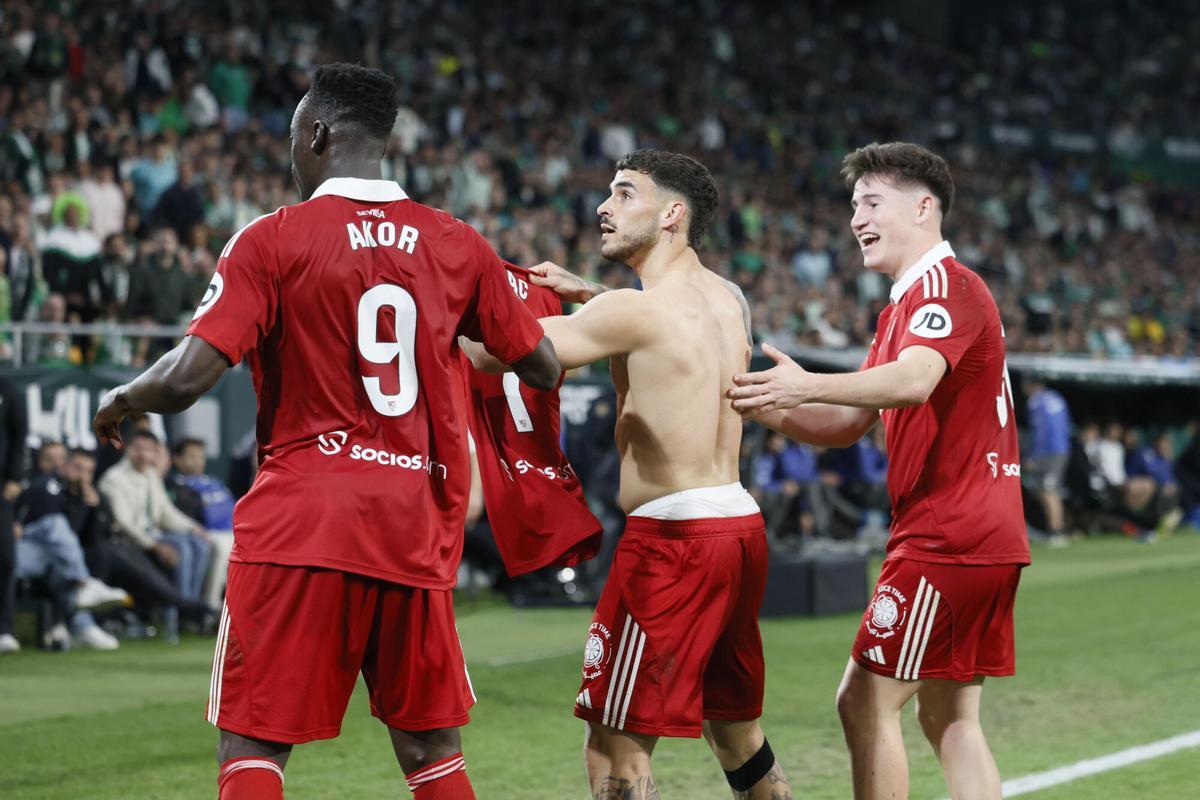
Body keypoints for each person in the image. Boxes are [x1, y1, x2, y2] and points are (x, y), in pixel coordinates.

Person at [93, 63, 559, 800]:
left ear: (316, 134)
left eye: (292, 139)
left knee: (253, 742)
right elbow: (542, 365)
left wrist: (122, 395)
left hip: (303, 520)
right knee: (432, 750)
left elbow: (185, 379)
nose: (291, 155)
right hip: (412, 524)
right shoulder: (458, 243)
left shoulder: (272, 238)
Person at [465, 149, 793, 800]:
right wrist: (592, 294)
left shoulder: (630, 313)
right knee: (735, 732)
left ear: (672, 214)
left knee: (613, 744)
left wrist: (440, 303)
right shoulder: (728, 299)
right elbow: (660, 332)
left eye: (623, 193)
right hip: (738, 528)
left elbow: (492, 353)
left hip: (674, 543)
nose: (602, 207)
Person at [728, 142, 1029, 800]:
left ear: (923, 208)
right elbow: (845, 423)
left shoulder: (945, 287)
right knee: (948, 717)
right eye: (853, 205)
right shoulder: (902, 308)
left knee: (864, 700)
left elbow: (915, 382)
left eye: (871, 202)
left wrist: (809, 382)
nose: (856, 219)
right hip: (983, 534)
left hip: (948, 536)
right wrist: (756, 400)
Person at [97, 430, 213, 635]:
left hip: (154, 535)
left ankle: (190, 607)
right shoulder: (113, 479)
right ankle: (178, 613)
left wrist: (193, 527)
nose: (143, 454)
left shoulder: (151, 474)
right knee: (183, 548)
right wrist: (154, 546)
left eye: (149, 450)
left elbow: (166, 512)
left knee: (200, 544)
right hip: (128, 542)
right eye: (138, 449)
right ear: (128, 450)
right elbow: (124, 523)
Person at [169, 438, 236, 609]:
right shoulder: (176, 483)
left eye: (201, 456)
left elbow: (232, 508)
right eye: (192, 456)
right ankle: (210, 604)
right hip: (203, 532)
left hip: (228, 530)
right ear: (177, 459)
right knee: (224, 546)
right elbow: (205, 516)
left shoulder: (213, 482)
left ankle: (236, 603)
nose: (198, 461)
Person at [1023, 378, 1073, 544]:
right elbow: (1068, 424)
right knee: (1051, 491)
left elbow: (1039, 431)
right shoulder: (1057, 398)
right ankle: (1057, 529)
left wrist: (1033, 455)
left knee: (1047, 491)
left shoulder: (1036, 402)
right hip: (1062, 449)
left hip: (1047, 451)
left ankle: (1055, 531)